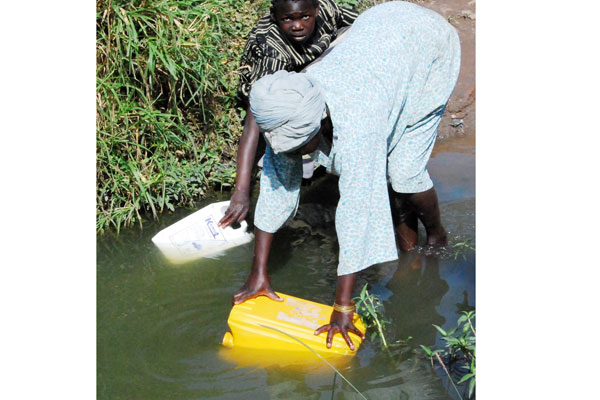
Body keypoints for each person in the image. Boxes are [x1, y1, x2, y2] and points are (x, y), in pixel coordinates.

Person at [219, 1, 461, 350]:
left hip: (426, 45)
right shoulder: (291, 98)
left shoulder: (358, 127)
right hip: (379, 32)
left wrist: (343, 307)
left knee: (404, 173)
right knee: (389, 171)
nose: (298, 152)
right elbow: (275, 183)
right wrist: (258, 273)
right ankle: (407, 246)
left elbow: (357, 215)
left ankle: (437, 236)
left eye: (303, 144)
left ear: (321, 122)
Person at [226, 0, 358, 223]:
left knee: (353, 35)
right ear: (275, 16)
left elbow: (366, 26)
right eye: (288, 19)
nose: (297, 26)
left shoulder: (326, 9)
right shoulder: (272, 51)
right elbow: (254, 121)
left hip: (317, 71)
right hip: (279, 91)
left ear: (316, 10)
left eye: (304, 17)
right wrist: (241, 191)